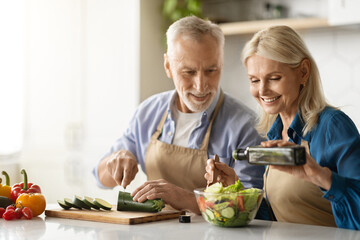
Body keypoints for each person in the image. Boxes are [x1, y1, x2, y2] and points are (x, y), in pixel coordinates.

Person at [92, 16, 265, 214]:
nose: (201, 85)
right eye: (188, 72)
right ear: (168, 66)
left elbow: (252, 208)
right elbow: (100, 178)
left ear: (222, 64)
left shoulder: (247, 126)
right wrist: (116, 159)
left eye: (211, 70)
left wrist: (181, 197)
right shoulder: (148, 113)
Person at [205, 25, 360, 230]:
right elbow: (277, 219)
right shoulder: (275, 132)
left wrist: (321, 177)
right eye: (254, 80)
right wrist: (235, 188)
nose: (262, 90)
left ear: (303, 72)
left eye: (274, 78)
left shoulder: (332, 126)